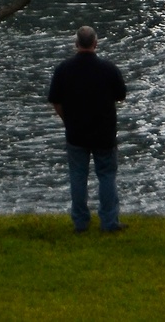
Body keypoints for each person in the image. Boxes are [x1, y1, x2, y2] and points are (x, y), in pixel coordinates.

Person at [48, 26, 127, 233]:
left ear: (76, 44)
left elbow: (55, 101)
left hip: (76, 132)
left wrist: (68, 120)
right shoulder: (108, 69)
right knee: (107, 175)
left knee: (78, 176)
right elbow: (121, 95)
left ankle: (81, 222)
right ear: (96, 43)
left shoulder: (63, 69)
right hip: (104, 132)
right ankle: (109, 221)